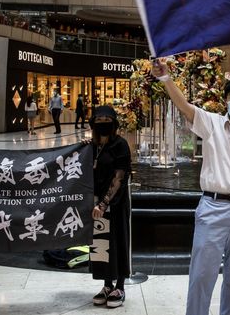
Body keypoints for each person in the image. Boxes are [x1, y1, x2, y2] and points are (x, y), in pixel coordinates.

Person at [151, 59, 230, 315]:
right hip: (213, 207)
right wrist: (165, 79)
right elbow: (184, 107)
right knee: (202, 275)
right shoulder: (212, 122)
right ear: (224, 99)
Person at [85, 106, 131, 308]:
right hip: (96, 205)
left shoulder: (120, 145)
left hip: (115, 204)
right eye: (99, 119)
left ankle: (120, 285)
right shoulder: (92, 146)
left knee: (118, 242)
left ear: (113, 123)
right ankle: (106, 284)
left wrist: (105, 202)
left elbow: (119, 177)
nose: (103, 122)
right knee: (102, 244)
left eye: (107, 119)